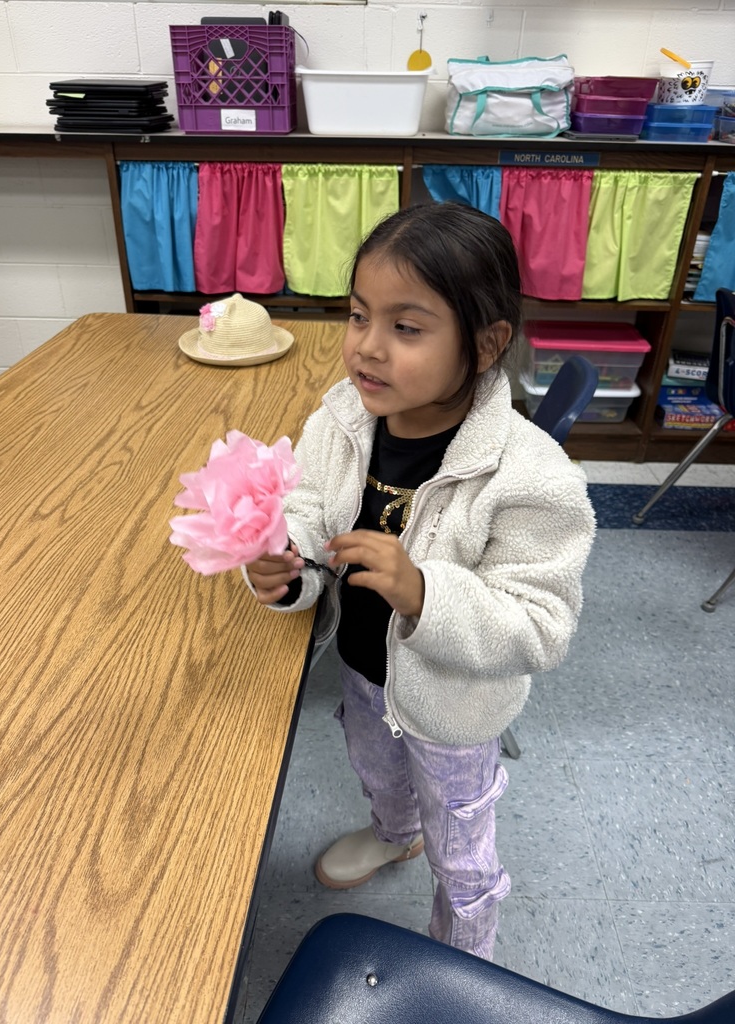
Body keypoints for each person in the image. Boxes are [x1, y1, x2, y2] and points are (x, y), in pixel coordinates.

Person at [243, 202, 595, 960]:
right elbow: (307, 508)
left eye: (406, 327)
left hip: (454, 709)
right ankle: (393, 834)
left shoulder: (533, 478)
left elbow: (541, 625)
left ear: (486, 344)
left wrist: (426, 592)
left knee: (462, 848)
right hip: (364, 674)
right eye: (359, 315)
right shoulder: (343, 418)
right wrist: (286, 564)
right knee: (376, 769)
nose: (367, 349)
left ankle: (465, 961)